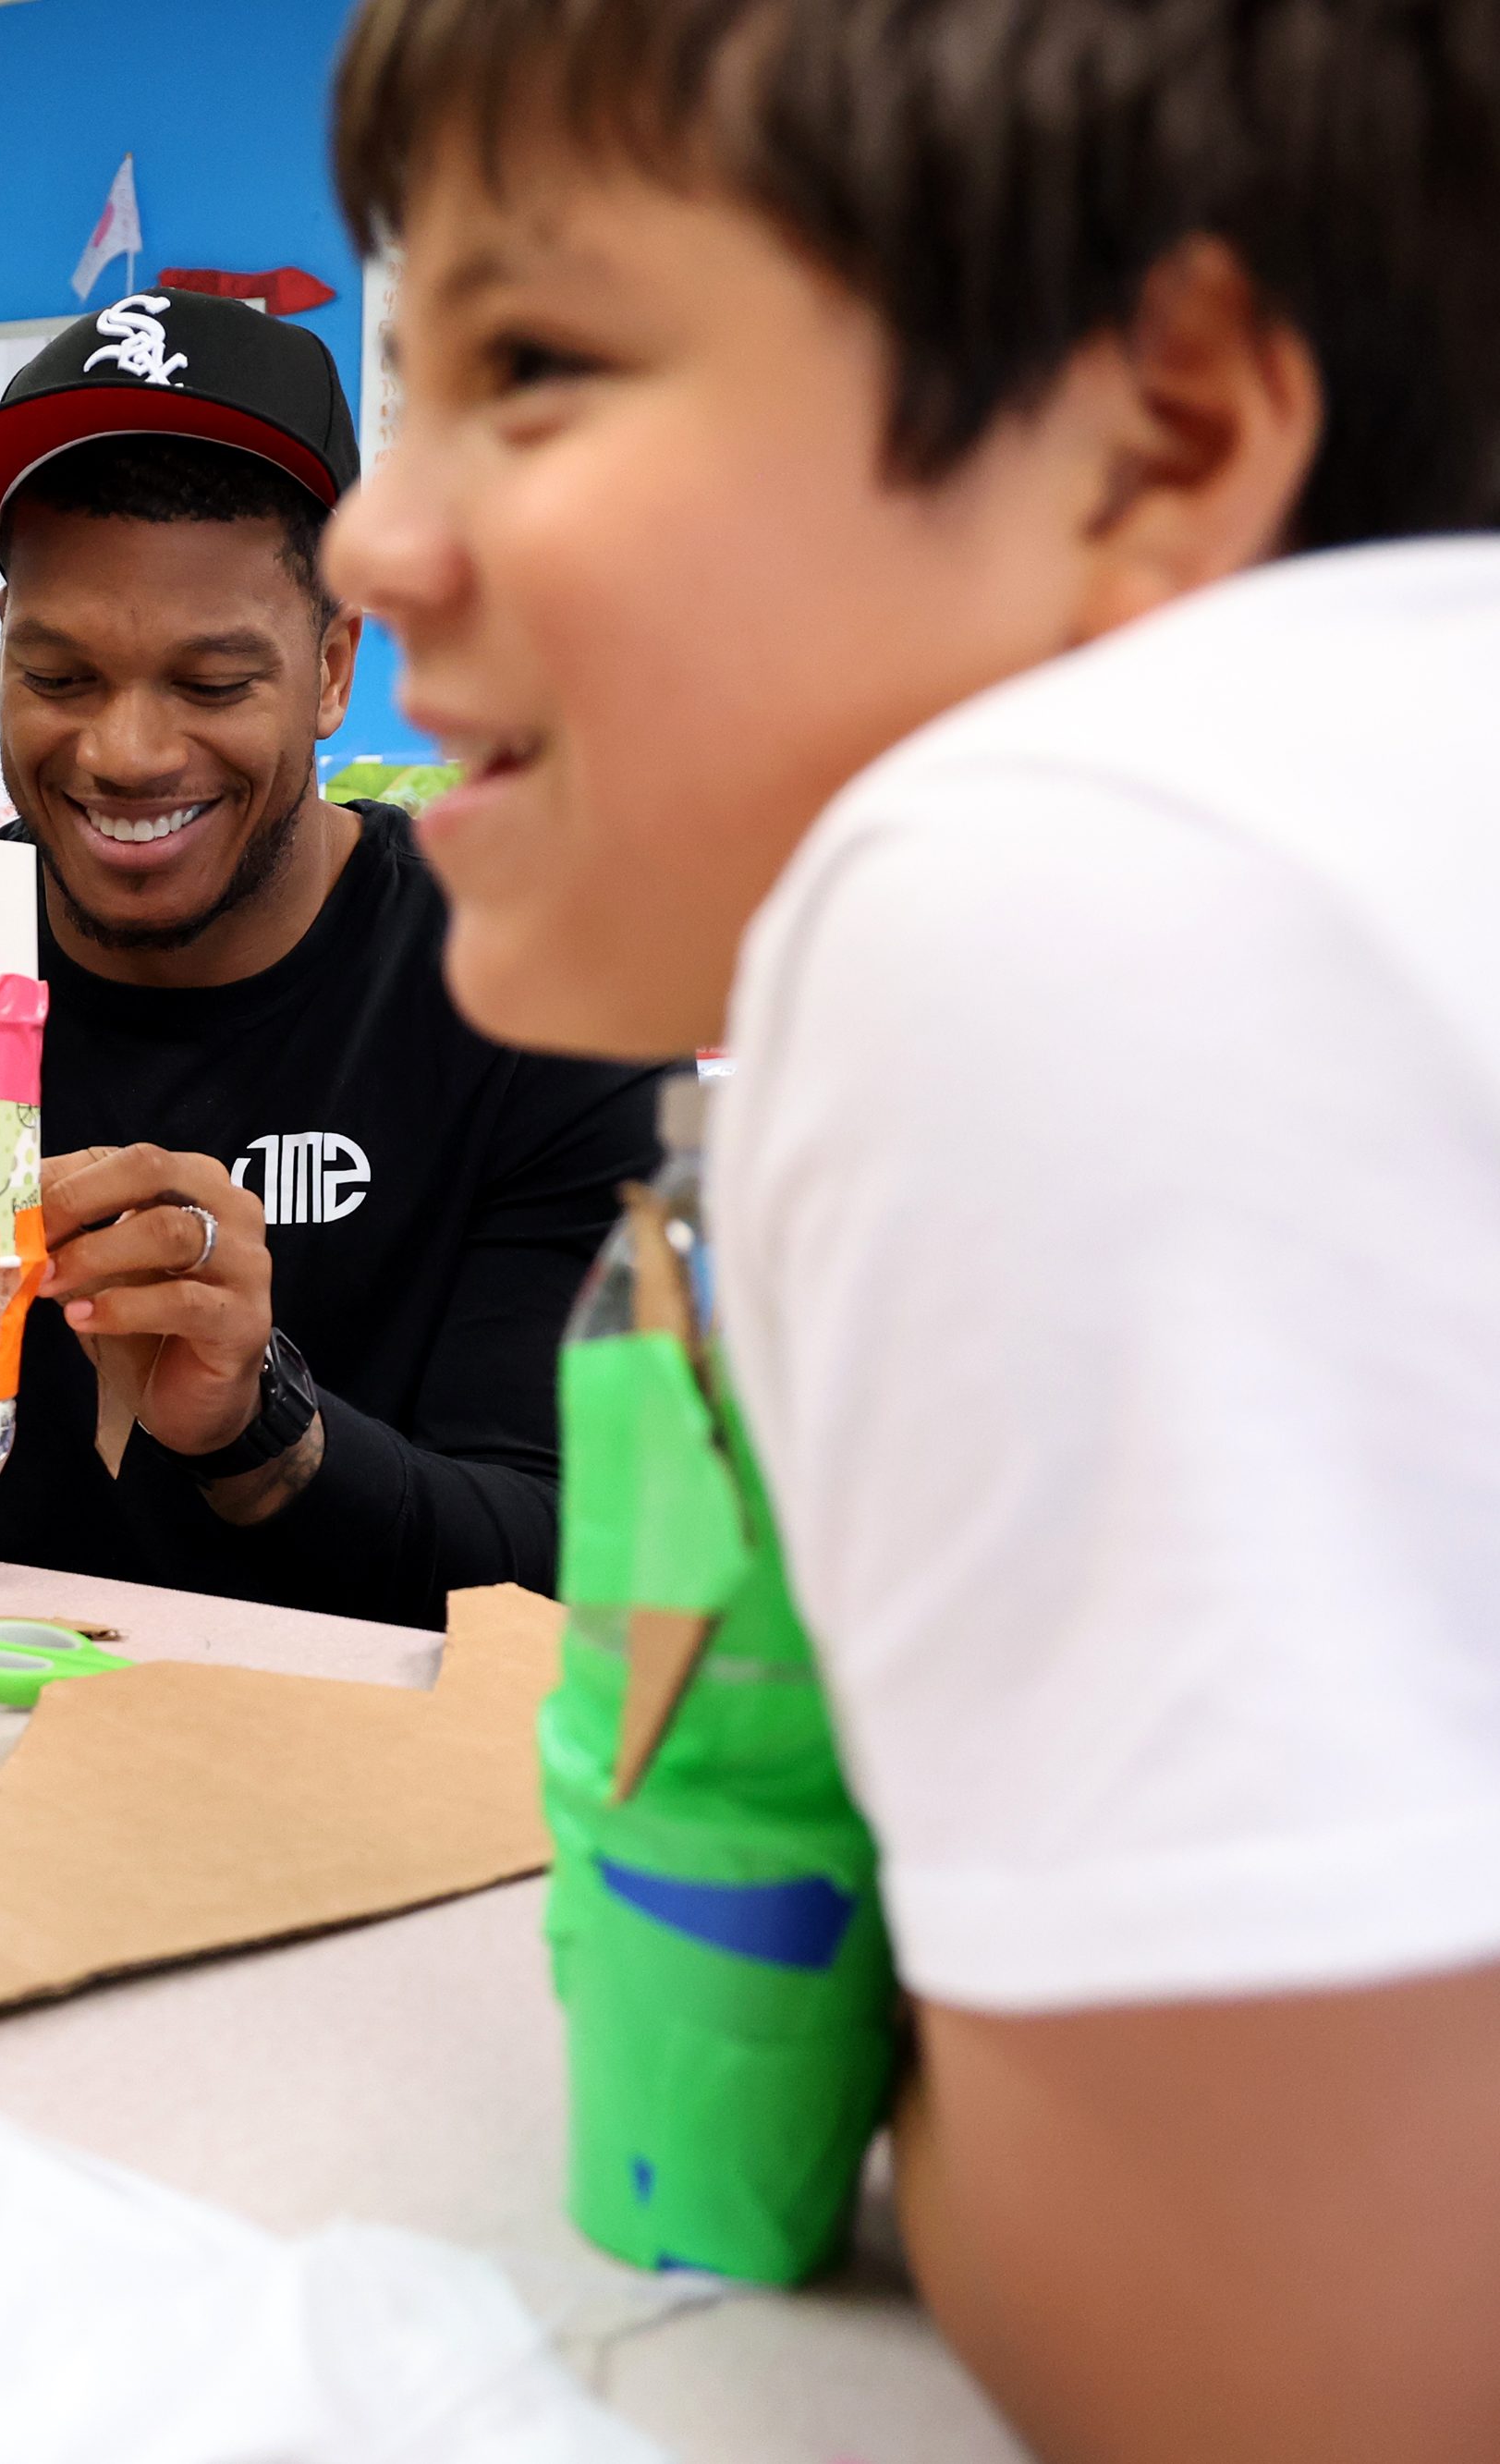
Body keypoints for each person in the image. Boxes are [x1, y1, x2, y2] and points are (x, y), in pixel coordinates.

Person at [323, 0, 1500, 2454]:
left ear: (1158, 433)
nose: (373, 539)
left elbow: (1251, 2358)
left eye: (533, 365)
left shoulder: (1025, 884)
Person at [0, 289, 663, 1630]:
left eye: (210, 684)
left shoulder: (544, 1000)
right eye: (59, 677)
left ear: (332, 669)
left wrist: (257, 1422)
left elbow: (567, 1572)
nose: (126, 753)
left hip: (353, 1759)